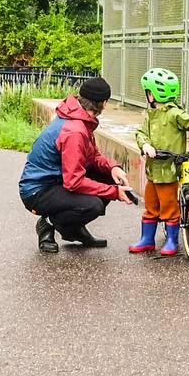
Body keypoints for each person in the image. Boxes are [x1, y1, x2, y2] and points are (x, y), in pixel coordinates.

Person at [18, 75, 135, 252]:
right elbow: (73, 182)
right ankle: (48, 223)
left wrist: (113, 168)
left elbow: (92, 156)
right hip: (38, 190)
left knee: (109, 178)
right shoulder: (75, 130)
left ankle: (73, 229)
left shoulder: (78, 117)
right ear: (103, 103)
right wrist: (113, 192)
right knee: (92, 205)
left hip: (57, 180)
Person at [131, 67, 189, 257]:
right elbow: (140, 133)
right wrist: (145, 144)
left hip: (169, 169)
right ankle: (147, 239)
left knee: (169, 207)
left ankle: (172, 240)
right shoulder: (150, 114)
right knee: (150, 206)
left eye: (147, 92)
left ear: (152, 94)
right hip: (153, 170)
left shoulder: (175, 114)